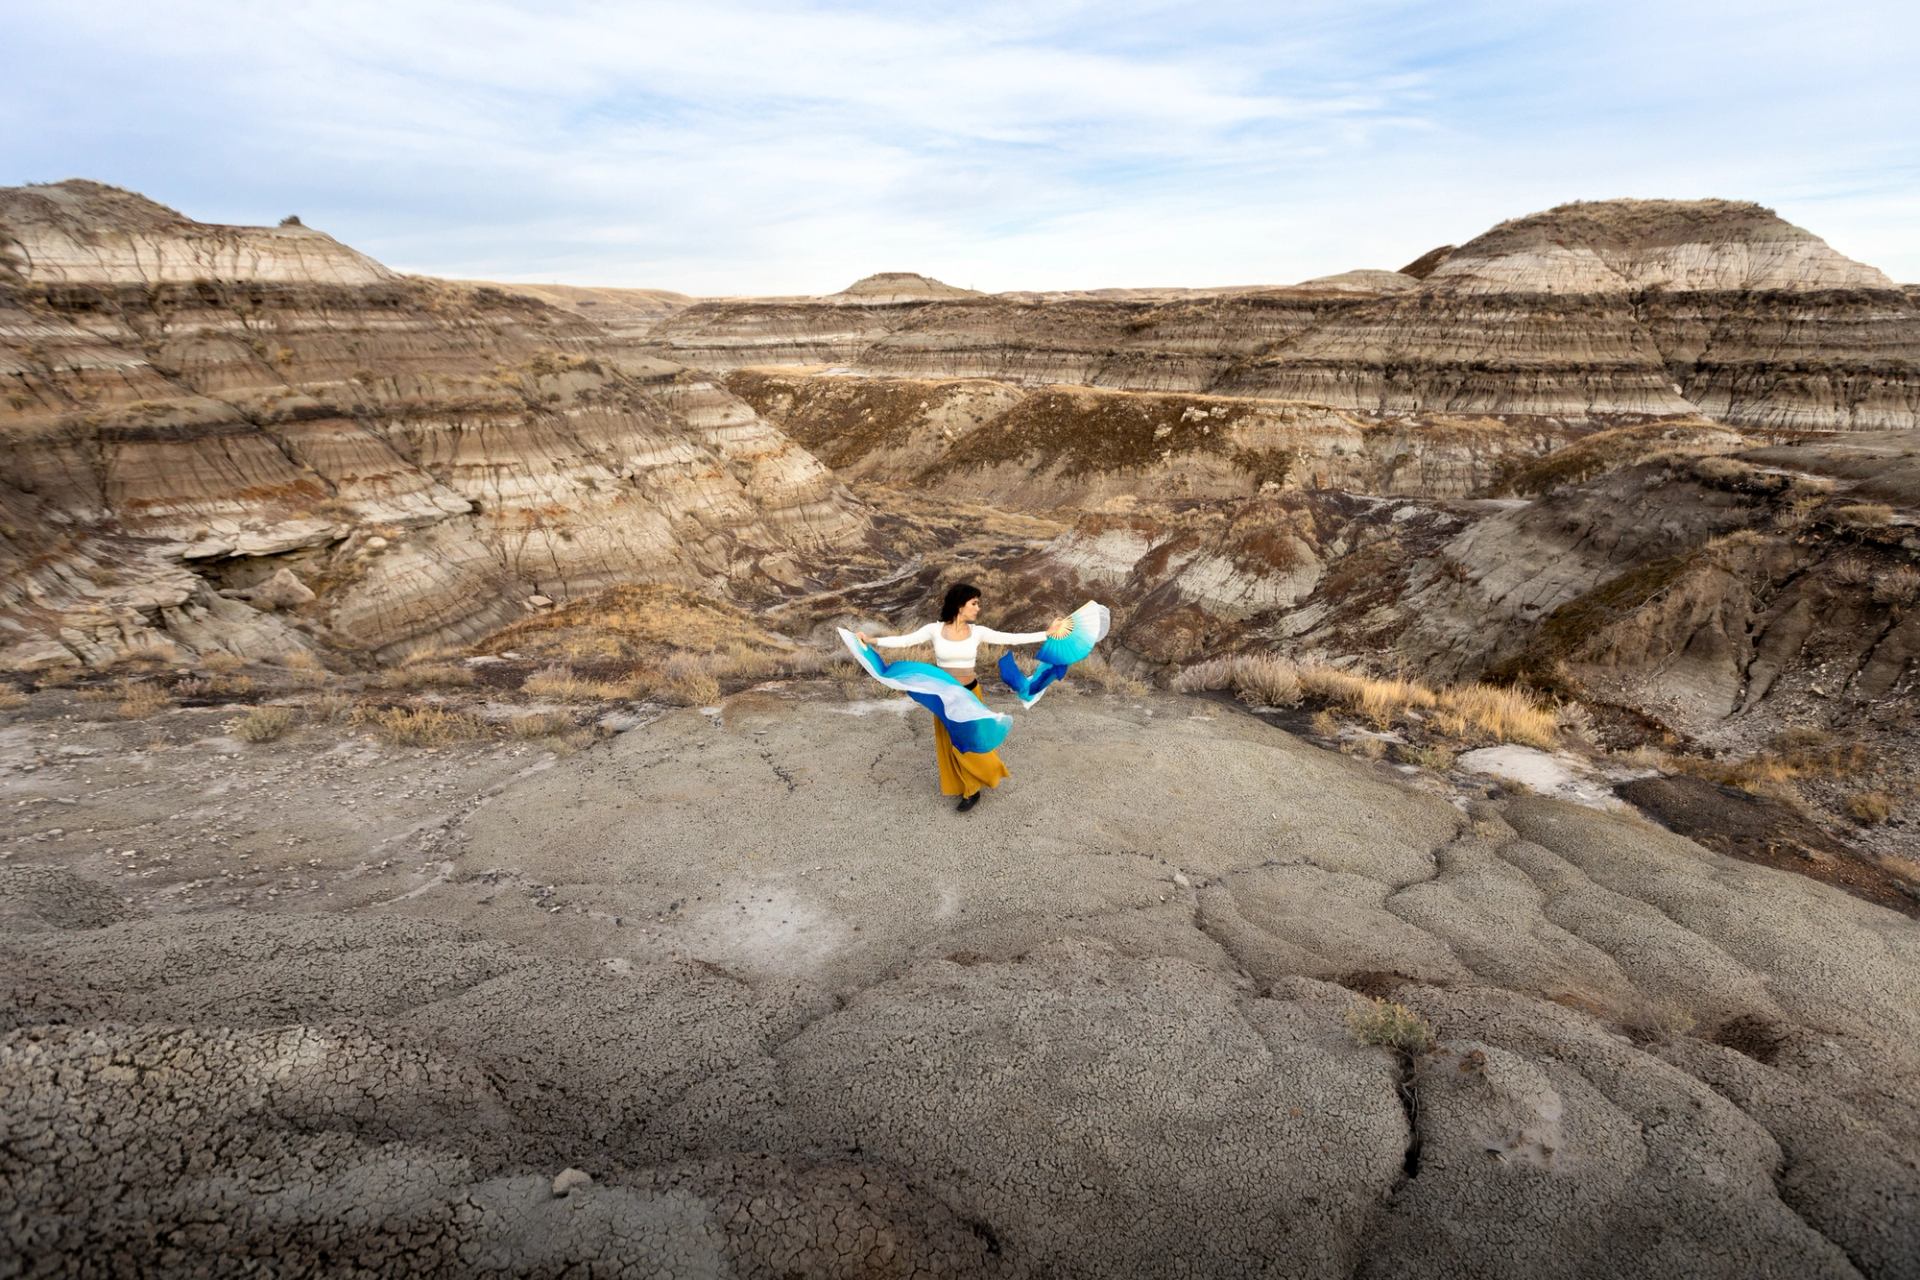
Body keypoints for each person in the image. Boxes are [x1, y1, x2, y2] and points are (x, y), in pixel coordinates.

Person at [858, 583, 1070, 812]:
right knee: (950, 743)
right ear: (960, 605)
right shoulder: (934, 630)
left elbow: (1011, 637)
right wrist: (872, 641)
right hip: (944, 697)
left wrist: (1046, 633)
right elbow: (905, 641)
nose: (978, 608)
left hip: (970, 694)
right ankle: (966, 786)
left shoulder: (978, 632)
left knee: (969, 743)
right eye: (974, 603)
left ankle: (976, 785)